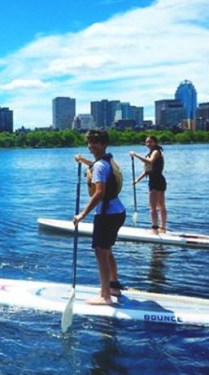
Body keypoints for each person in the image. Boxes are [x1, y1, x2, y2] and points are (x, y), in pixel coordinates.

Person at [73, 129, 126, 305]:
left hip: (106, 214)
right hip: (117, 211)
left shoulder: (99, 166)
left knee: (100, 252)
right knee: (107, 250)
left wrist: (82, 214)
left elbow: (99, 194)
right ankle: (113, 286)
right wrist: (83, 161)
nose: (90, 145)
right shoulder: (106, 161)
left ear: (104, 144)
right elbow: (97, 167)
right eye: (89, 142)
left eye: (94, 142)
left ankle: (105, 296)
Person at [130, 135, 167, 233]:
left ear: (155, 142)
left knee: (155, 206)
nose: (148, 144)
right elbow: (147, 171)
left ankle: (156, 229)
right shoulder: (150, 153)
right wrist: (137, 180)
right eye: (146, 142)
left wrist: (136, 155)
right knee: (159, 205)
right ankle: (162, 228)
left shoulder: (155, 152)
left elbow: (150, 162)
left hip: (157, 180)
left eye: (150, 142)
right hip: (156, 180)